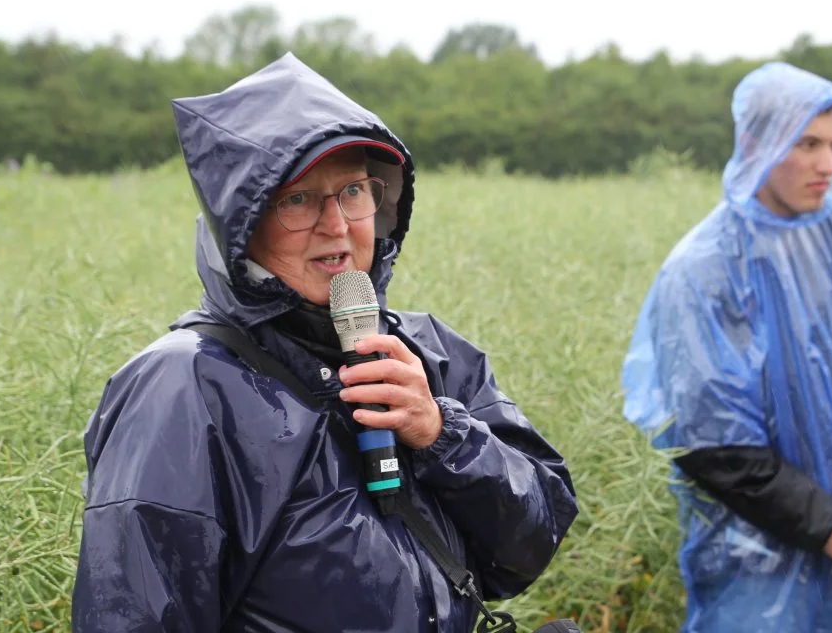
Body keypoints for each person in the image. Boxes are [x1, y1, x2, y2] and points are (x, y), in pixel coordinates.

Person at [71, 52, 579, 632]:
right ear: (239, 223)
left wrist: (442, 434)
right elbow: (134, 615)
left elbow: (530, 547)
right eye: (297, 200)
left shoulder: (430, 352)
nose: (336, 226)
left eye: (354, 192)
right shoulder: (183, 388)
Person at [619, 62, 832, 632]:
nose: (827, 164)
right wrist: (827, 527)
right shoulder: (707, 267)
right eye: (807, 143)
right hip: (754, 563)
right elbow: (714, 444)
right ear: (756, 141)